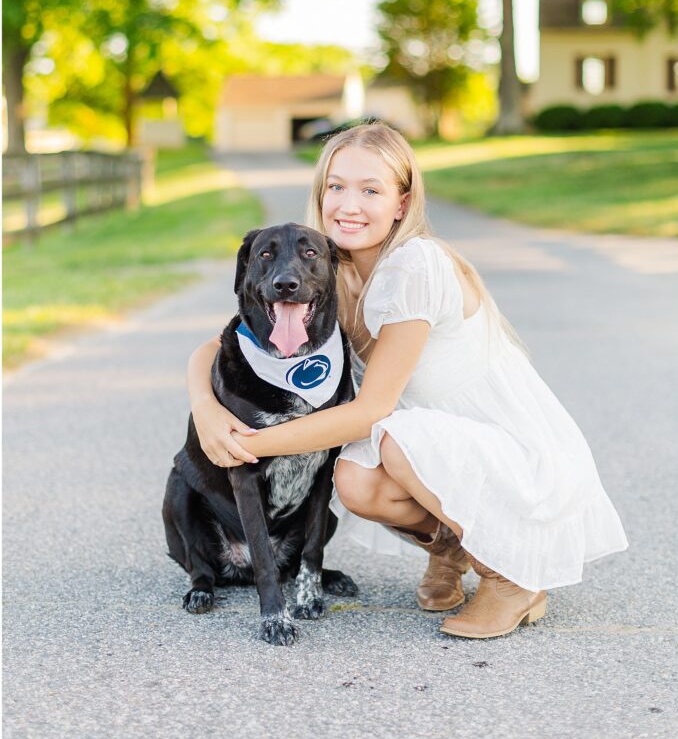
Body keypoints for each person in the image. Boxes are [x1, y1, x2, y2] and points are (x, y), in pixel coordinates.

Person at [187, 122, 627, 639]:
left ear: (402, 202)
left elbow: (371, 411)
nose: (349, 203)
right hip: (444, 445)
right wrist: (207, 411)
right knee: (354, 479)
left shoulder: (418, 265)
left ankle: (511, 576)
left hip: (514, 453)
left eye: (370, 189)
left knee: (387, 438)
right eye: (337, 186)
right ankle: (452, 551)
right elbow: (217, 346)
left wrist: (245, 445)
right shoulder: (332, 271)